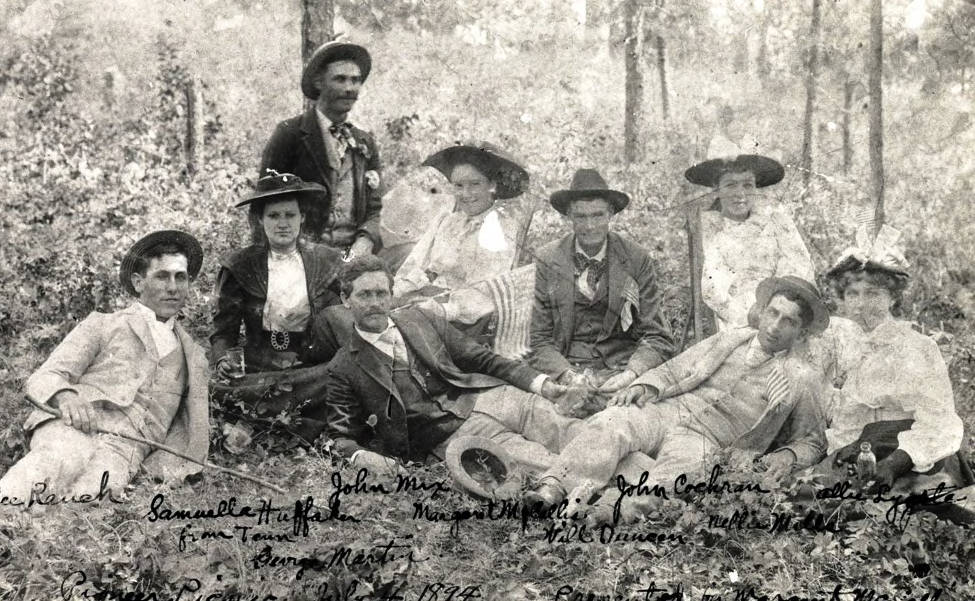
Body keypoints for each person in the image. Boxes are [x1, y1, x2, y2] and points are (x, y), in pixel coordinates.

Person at [527, 276, 830, 518]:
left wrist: (788, 455)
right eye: (773, 313)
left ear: (802, 333)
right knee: (613, 420)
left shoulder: (803, 377)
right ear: (762, 312)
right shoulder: (730, 338)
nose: (775, 326)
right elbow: (675, 369)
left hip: (707, 441)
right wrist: (643, 386)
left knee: (675, 480)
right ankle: (551, 489)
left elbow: (814, 441)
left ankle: (605, 512)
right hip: (669, 411)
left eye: (788, 321)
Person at [318, 255, 585, 474]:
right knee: (550, 466)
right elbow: (339, 436)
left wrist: (543, 385)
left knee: (584, 436)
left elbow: (482, 358)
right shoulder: (344, 368)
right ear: (345, 300)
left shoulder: (420, 317)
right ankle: (613, 493)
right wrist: (359, 457)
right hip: (450, 434)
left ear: (391, 294)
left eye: (381, 293)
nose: (375, 303)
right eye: (364, 295)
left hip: (490, 398)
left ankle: (624, 470)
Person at [0, 231, 209, 501]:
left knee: (88, 502)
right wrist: (67, 396)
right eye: (162, 276)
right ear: (138, 283)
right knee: (58, 462)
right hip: (74, 428)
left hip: (125, 451)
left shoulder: (194, 357)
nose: (173, 287)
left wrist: (164, 473)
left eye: (180, 277)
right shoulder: (103, 324)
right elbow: (46, 375)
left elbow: (188, 430)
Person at [809, 227, 972, 496]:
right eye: (853, 294)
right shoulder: (844, 345)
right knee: (810, 499)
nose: (860, 305)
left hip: (913, 456)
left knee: (900, 507)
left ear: (893, 296)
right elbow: (847, 422)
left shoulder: (918, 347)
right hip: (864, 451)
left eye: (872, 293)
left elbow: (939, 422)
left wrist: (895, 463)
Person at [210, 172, 344, 444]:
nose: (283, 223)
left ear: (302, 217)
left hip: (311, 364)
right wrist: (224, 359)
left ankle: (270, 417)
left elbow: (338, 321)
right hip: (261, 366)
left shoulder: (326, 261)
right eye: (273, 216)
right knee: (220, 390)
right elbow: (223, 330)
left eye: (290, 215)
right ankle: (293, 415)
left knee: (338, 375)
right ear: (260, 219)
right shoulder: (241, 266)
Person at [530, 168, 675, 405]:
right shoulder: (547, 259)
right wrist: (567, 376)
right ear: (569, 215)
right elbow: (538, 339)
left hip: (620, 371)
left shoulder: (636, 258)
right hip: (565, 371)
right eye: (581, 216)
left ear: (611, 214)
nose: (589, 226)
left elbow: (658, 336)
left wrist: (632, 373)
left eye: (597, 215)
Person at [259, 41, 382, 256]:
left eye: (355, 80)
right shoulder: (290, 134)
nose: (349, 88)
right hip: (303, 254)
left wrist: (365, 241)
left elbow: (374, 209)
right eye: (340, 79)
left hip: (353, 255)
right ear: (319, 82)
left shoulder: (364, 142)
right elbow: (265, 205)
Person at [686, 145, 815, 330]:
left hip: (784, 310)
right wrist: (749, 317)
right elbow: (712, 286)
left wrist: (779, 310)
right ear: (716, 189)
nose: (740, 193)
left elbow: (799, 269)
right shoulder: (710, 226)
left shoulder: (777, 219)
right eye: (730, 184)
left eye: (748, 185)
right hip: (737, 319)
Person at [393, 141, 530, 299]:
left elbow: (483, 293)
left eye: (475, 184)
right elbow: (416, 263)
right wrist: (402, 290)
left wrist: (438, 303)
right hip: (425, 299)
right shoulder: (448, 221)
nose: (466, 193)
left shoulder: (500, 229)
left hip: (464, 314)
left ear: (492, 186)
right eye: (458, 185)